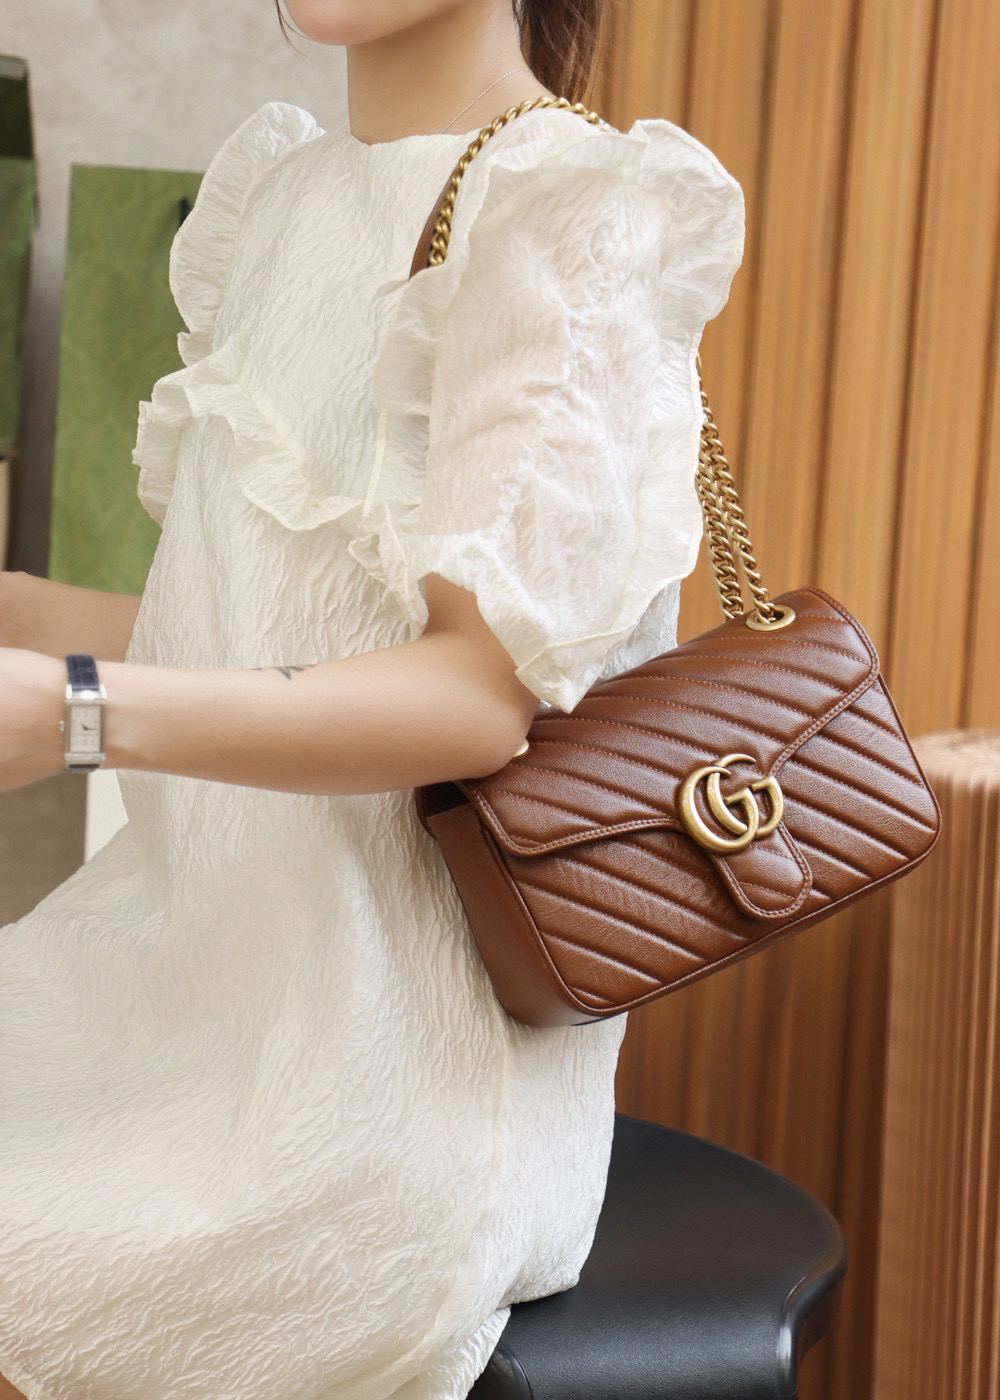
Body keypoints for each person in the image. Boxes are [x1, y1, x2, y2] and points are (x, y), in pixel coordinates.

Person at [0, 1, 745, 1395]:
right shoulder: (287, 197)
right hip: (169, 986)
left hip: (381, 1087)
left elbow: (473, 699)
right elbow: (261, 628)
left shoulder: (567, 211)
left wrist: (75, 709)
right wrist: (31, 623)